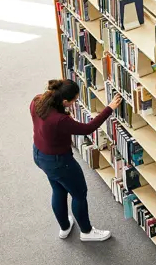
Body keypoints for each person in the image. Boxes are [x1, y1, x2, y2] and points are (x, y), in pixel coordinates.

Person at [31, 79, 122, 242]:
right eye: (74, 100)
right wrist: (109, 108)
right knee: (79, 194)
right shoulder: (60, 120)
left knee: (58, 190)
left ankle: (65, 228)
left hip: (40, 155)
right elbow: (87, 129)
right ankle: (86, 232)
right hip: (60, 162)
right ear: (64, 101)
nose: (76, 102)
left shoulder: (37, 101)